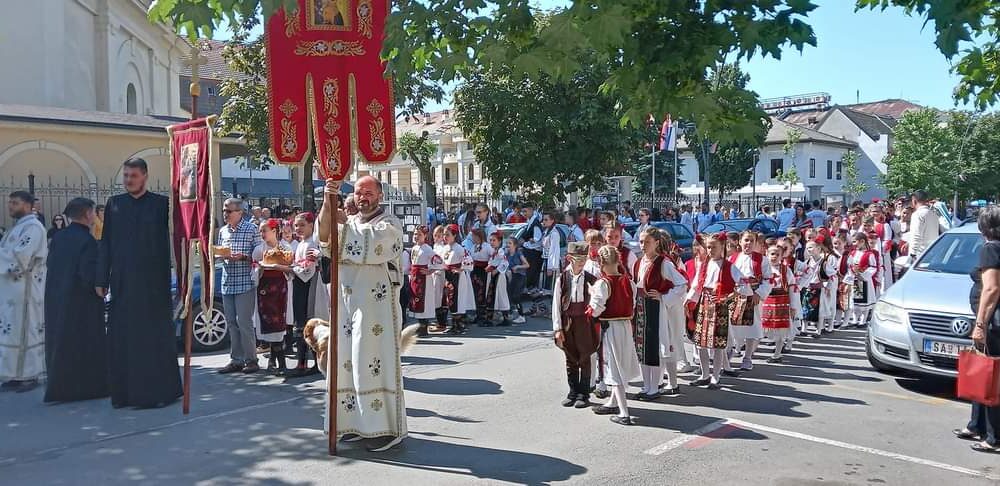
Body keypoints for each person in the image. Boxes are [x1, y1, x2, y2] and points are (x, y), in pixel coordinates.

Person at [314, 176, 409, 451]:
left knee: (373, 361)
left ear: (379, 195)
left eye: (368, 192)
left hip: (377, 310)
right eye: (358, 192)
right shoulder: (352, 224)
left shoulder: (389, 224)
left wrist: (337, 221)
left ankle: (387, 429)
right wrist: (327, 201)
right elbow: (325, 240)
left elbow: (368, 245)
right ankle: (357, 422)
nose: (362, 197)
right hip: (348, 307)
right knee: (349, 362)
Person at [97, 158, 182, 408]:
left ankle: (158, 393)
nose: (128, 180)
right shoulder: (115, 204)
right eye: (125, 175)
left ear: (144, 176)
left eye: (133, 175)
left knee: (151, 339)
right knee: (123, 339)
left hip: (152, 284)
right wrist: (101, 278)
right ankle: (125, 394)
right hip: (122, 283)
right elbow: (106, 244)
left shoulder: (160, 204)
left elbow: (176, 237)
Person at [43, 198, 108, 401]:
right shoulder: (87, 241)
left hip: (57, 298)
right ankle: (87, 388)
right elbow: (87, 273)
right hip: (81, 302)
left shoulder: (59, 238)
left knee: (61, 344)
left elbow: (50, 264)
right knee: (84, 345)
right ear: (88, 214)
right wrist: (100, 287)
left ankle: (60, 389)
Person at [957, 206, 1000, 453]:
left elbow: (992, 288)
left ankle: (993, 437)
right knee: (983, 371)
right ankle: (977, 425)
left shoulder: (991, 248)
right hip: (992, 321)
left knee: (989, 375)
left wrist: (981, 324)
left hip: (993, 323)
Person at [685, 233, 751, 389]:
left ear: (723, 246)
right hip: (704, 304)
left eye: (714, 246)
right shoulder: (704, 265)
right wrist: (689, 301)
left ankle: (715, 376)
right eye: (708, 247)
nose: (710, 250)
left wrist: (728, 297)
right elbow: (696, 286)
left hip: (719, 307)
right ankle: (705, 375)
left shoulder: (729, 266)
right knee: (700, 343)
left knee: (718, 344)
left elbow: (745, 287)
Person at [0, 191, 48, 392]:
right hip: (12, 290)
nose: (10, 206)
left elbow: (20, 257)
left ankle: (28, 374)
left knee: (24, 330)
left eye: (15, 203)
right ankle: (13, 374)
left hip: (25, 289)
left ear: (28, 205)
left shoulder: (33, 227)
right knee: (11, 332)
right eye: (10, 202)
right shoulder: (17, 228)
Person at [632, 228, 688, 399]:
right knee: (642, 348)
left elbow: (682, 284)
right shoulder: (640, 262)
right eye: (641, 242)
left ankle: (654, 387)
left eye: (647, 242)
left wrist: (664, 297)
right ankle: (647, 385)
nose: (643, 245)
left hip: (656, 309)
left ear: (656, 243)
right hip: (642, 308)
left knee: (654, 348)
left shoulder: (664, 263)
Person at [588, 245, 640, 425]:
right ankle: (612, 401)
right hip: (625, 326)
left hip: (611, 328)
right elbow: (632, 305)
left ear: (600, 262)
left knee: (614, 366)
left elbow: (596, 309)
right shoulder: (628, 282)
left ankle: (624, 413)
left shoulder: (603, 283)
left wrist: (591, 295)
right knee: (620, 362)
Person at [216, 197, 263, 375]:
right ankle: (236, 359)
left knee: (244, 322)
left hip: (245, 281)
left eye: (229, 211)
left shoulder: (251, 229)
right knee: (231, 323)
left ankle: (251, 360)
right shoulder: (223, 231)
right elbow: (220, 250)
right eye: (224, 211)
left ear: (240, 212)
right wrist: (220, 255)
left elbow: (260, 254)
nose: (225, 214)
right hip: (228, 281)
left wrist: (243, 257)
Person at [552, 242, 599, 408]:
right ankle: (572, 391)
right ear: (569, 258)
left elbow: (598, 300)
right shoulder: (562, 278)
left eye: (584, 258)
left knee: (585, 356)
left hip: (584, 322)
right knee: (570, 356)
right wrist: (558, 328)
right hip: (568, 322)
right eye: (578, 258)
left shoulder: (591, 279)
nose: (581, 261)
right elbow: (556, 304)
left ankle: (583, 393)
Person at [288, 212, 327, 378]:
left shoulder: (314, 243)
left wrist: (288, 268)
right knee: (300, 321)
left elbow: (308, 270)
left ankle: (316, 362)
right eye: (296, 225)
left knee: (309, 319)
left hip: (310, 285)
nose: (298, 228)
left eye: (302, 225)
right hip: (299, 284)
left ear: (312, 225)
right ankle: (301, 362)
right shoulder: (300, 244)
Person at [252, 219, 293, 375]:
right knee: (268, 323)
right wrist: (260, 268)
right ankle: (275, 361)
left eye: (265, 230)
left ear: (275, 230)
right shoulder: (258, 250)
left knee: (279, 323)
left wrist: (278, 266)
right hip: (264, 289)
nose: (262, 234)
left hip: (279, 288)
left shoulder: (285, 248)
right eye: (261, 231)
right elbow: (254, 266)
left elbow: (290, 268)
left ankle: (278, 361)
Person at [728, 231, 773, 371]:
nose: (748, 243)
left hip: (753, 296)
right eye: (746, 240)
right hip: (736, 296)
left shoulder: (762, 260)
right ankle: (730, 351)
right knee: (732, 326)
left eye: (751, 241)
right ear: (740, 241)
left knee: (752, 327)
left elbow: (768, 279)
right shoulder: (733, 258)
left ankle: (747, 357)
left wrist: (759, 293)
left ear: (755, 243)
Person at [762, 243, 795, 363]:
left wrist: (794, 305)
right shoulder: (762, 268)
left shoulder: (786, 270)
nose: (774, 256)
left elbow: (792, 287)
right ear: (767, 254)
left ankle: (777, 354)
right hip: (765, 300)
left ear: (782, 257)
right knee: (759, 326)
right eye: (772, 254)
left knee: (781, 329)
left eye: (777, 254)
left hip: (781, 301)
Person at [442, 224, 476, 334]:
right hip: (448, 276)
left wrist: (461, 269)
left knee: (457, 299)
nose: (445, 237)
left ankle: (459, 324)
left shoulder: (459, 248)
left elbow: (469, 260)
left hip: (457, 277)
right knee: (450, 300)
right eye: (444, 235)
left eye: (447, 235)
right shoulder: (446, 248)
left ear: (454, 235)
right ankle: (453, 324)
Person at [408, 226, 440, 336]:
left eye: (419, 234)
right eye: (415, 234)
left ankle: (424, 326)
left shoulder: (427, 249)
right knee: (416, 299)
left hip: (423, 278)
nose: (416, 236)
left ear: (425, 236)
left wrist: (431, 270)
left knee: (423, 300)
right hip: (415, 276)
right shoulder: (415, 248)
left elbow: (438, 260)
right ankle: (419, 324)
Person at [845, 232, 879, 327]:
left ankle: (863, 320)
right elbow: (849, 264)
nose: (853, 244)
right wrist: (853, 272)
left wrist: (863, 275)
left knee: (865, 301)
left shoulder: (869, 254)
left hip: (864, 280)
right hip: (855, 279)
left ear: (862, 241)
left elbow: (873, 267)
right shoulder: (853, 253)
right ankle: (855, 319)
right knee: (855, 301)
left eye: (855, 242)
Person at [485, 231, 512, 325]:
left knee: (501, 295)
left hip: (499, 276)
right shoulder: (494, 251)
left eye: (494, 240)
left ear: (499, 241)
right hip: (493, 275)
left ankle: (506, 318)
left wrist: (497, 270)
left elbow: (505, 263)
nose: (492, 242)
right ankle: (490, 318)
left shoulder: (501, 251)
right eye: (490, 240)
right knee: (492, 295)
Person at [468, 229, 492, 325]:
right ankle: (478, 315)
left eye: (473, 236)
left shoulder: (487, 247)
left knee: (482, 293)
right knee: (475, 292)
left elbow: (492, 257)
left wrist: (489, 266)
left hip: (483, 272)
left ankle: (483, 316)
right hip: (475, 271)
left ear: (478, 236)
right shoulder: (474, 247)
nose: (472, 238)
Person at [909, 190, 940, 260]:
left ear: (914, 201)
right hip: (933, 253)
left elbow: (916, 235)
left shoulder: (917, 215)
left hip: (920, 256)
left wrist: (912, 254)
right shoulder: (934, 214)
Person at [505, 237, 529, 324]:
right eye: (507, 243)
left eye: (510, 243)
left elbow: (527, 265)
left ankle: (521, 316)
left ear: (515, 245)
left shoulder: (518, 254)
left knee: (516, 296)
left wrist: (518, 267)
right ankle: (510, 313)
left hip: (520, 276)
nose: (508, 245)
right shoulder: (507, 254)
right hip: (512, 276)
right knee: (509, 295)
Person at [522, 203, 544, 291]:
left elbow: (537, 239)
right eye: (523, 212)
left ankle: (532, 290)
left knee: (532, 272)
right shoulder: (530, 221)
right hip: (530, 252)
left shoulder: (535, 223)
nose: (524, 214)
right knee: (530, 272)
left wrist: (528, 241)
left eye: (525, 211)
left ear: (531, 210)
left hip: (533, 253)